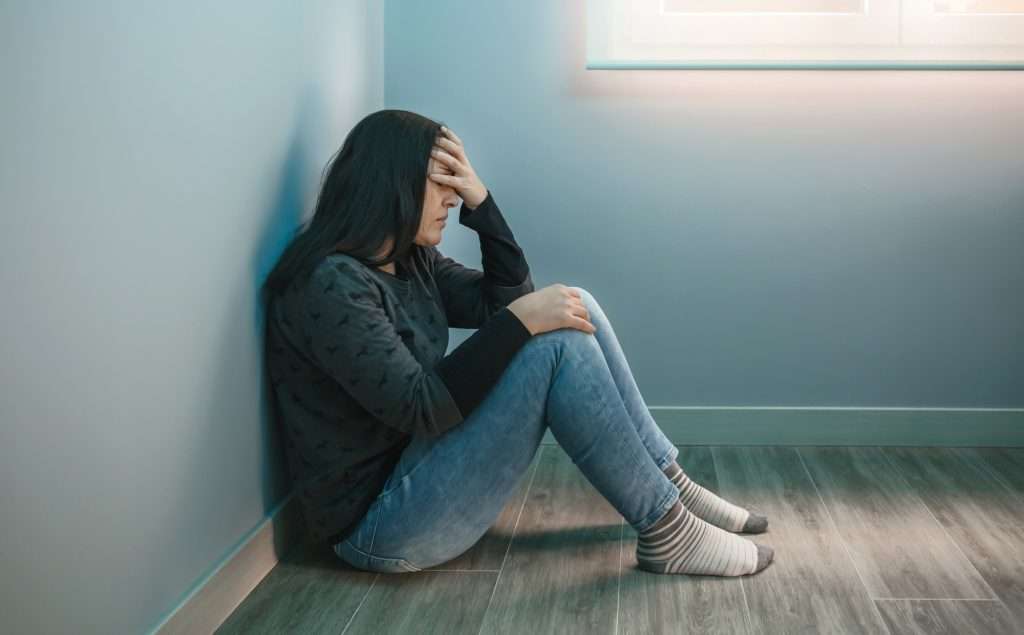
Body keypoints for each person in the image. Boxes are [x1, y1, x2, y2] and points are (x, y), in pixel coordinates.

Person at [262, 109, 774, 577]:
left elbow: (502, 300)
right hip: (378, 525)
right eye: (440, 184)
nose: (452, 198)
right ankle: (668, 530)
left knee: (576, 303)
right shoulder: (332, 285)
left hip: (420, 470)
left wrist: (483, 204)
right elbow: (421, 406)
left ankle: (669, 486)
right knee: (554, 344)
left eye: (455, 185)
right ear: (391, 184)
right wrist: (520, 322)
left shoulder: (407, 259)